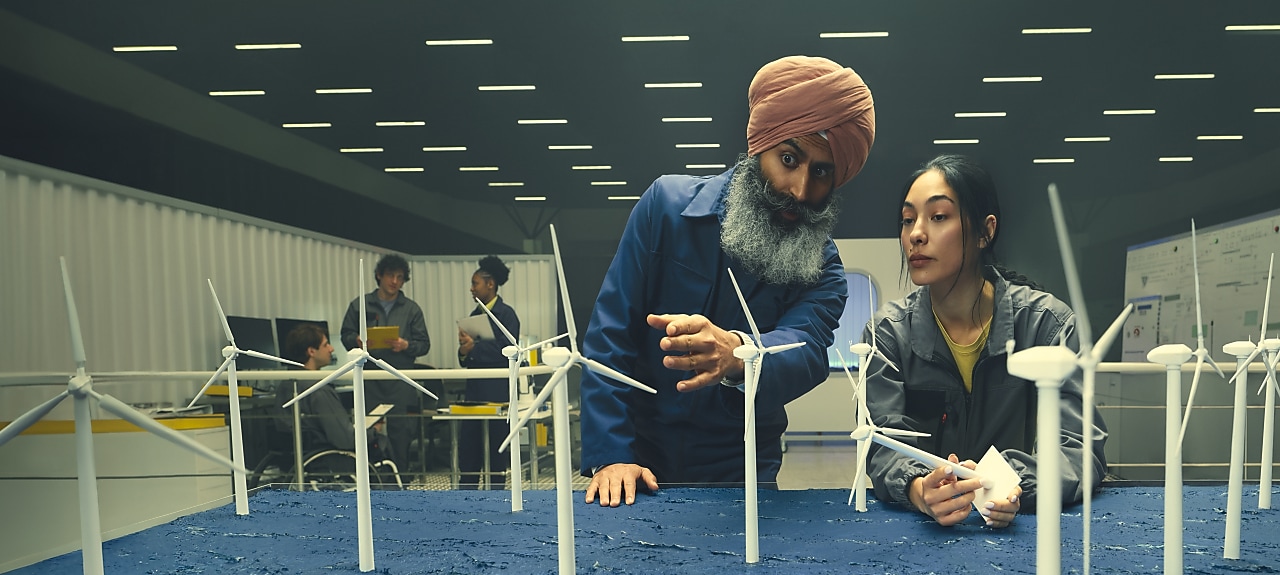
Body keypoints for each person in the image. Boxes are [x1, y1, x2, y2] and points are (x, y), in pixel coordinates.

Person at [579, 55, 876, 506]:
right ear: (759, 147)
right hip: (638, 460)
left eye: (821, 172)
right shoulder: (665, 208)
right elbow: (609, 334)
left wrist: (739, 352)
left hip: (742, 470)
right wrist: (612, 455)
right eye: (789, 159)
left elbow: (807, 349)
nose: (800, 190)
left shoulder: (823, 268)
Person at [862, 154, 1107, 528]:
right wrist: (920, 489)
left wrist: (1009, 482)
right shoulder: (888, 333)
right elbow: (882, 444)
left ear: (985, 231)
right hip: (923, 536)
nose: (915, 234)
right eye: (908, 220)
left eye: (938, 216)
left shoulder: (1047, 326)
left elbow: (1079, 448)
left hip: (1021, 531)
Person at [340, 254, 430, 471]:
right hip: (370, 379)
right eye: (390, 275)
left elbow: (424, 345)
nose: (395, 281)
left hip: (400, 379)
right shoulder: (360, 305)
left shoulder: (411, 309)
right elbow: (345, 335)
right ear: (379, 275)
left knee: (401, 433)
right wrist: (357, 341)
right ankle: (372, 478)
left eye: (400, 277)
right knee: (369, 431)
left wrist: (406, 345)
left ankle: (401, 479)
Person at [276, 323, 394, 482]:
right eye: (326, 345)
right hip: (326, 460)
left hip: (299, 459)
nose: (331, 349)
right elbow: (346, 439)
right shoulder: (319, 390)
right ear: (311, 351)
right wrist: (373, 431)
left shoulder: (285, 384)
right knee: (381, 442)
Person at [457, 255, 520, 490]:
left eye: (475, 283)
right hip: (474, 393)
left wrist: (474, 348)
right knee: (469, 450)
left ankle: (496, 499)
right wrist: (464, 350)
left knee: (496, 453)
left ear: (490, 284)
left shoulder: (507, 315)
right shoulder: (474, 315)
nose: (471, 289)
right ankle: (466, 498)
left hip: (497, 393)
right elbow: (465, 358)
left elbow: (508, 350)